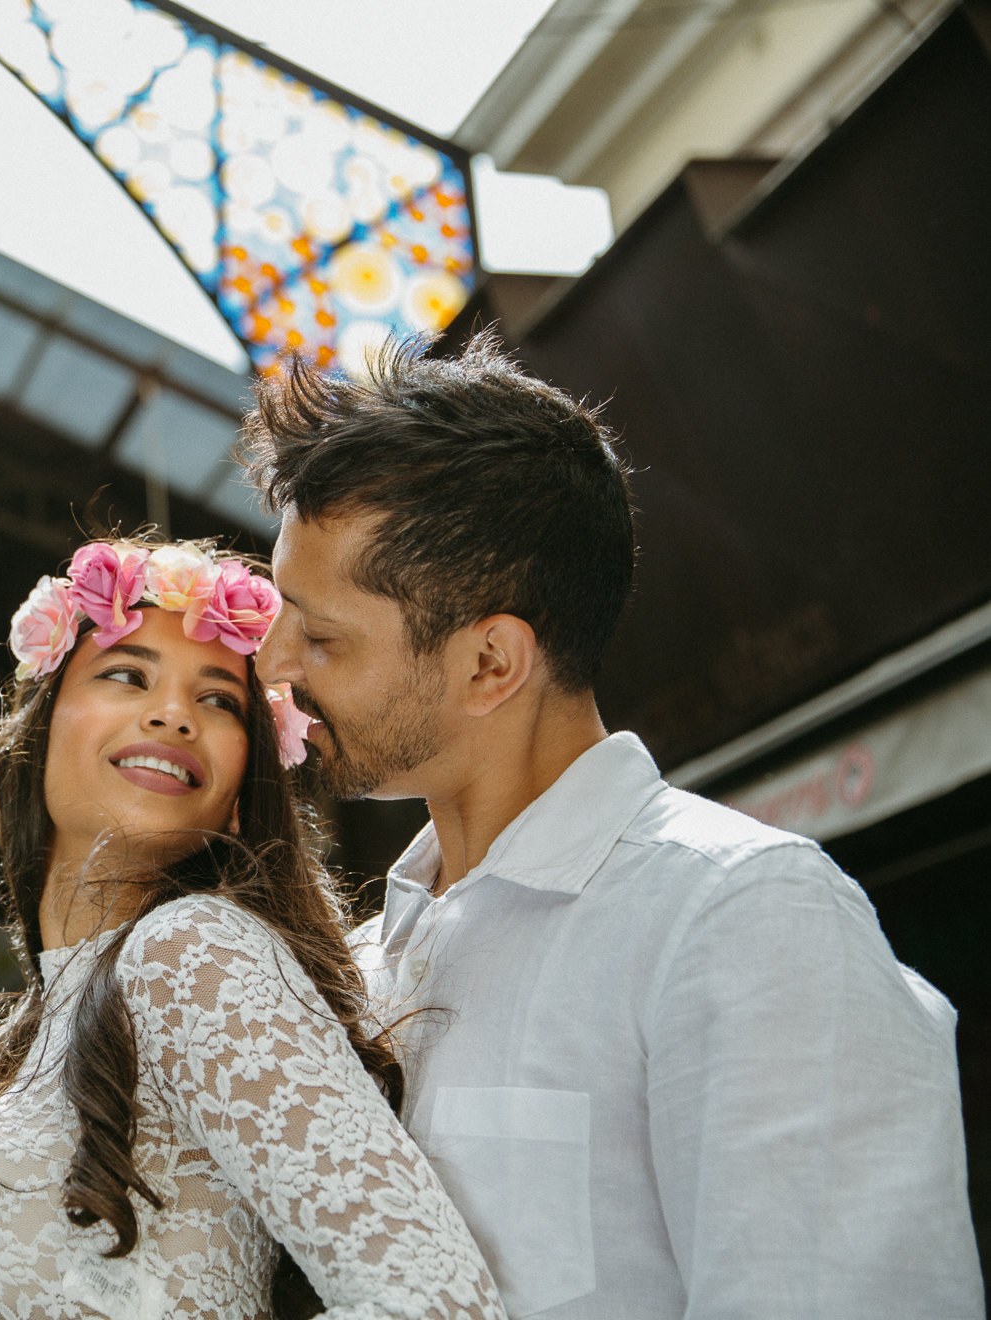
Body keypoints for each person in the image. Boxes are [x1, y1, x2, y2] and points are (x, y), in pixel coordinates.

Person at [245, 331, 982, 1320]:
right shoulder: (363, 957)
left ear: (490, 664)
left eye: (320, 635)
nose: (272, 664)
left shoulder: (738, 919)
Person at [0, 536, 504, 1320]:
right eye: (128, 675)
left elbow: (433, 1304)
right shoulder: (26, 1039)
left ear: (238, 790)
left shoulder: (193, 952)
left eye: (219, 701)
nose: (172, 714)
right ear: (42, 729)